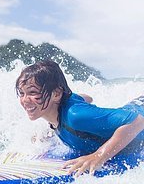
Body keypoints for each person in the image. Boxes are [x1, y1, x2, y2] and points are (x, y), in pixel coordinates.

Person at [15, 59, 144, 176]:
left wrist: (99, 155)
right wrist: (50, 131)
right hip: (133, 107)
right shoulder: (61, 109)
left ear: (57, 94)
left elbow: (137, 121)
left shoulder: (75, 116)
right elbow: (87, 98)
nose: (25, 100)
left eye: (32, 93)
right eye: (21, 93)